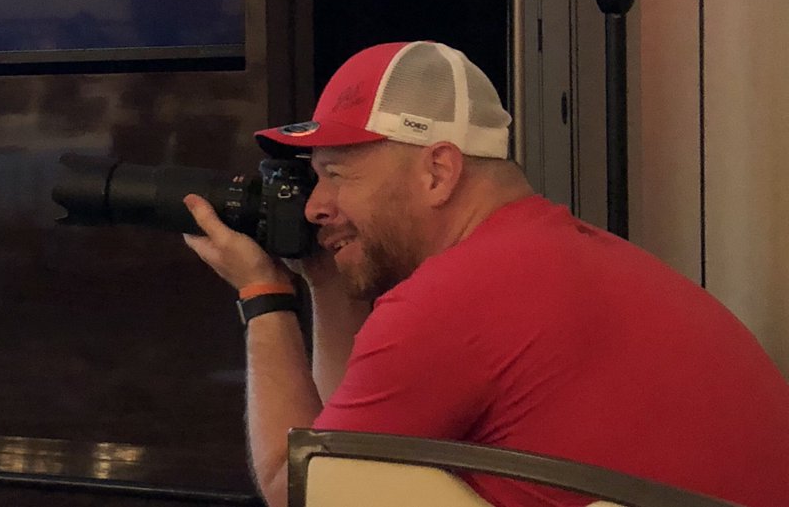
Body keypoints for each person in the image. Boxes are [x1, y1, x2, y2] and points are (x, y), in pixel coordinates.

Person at [182, 41, 789, 507]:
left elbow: (298, 490)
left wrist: (263, 295)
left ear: (438, 172)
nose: (315, 206)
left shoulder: (452, 300)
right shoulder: (561, 257)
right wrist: (326, 282)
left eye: (337, 175)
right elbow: (350, 457)